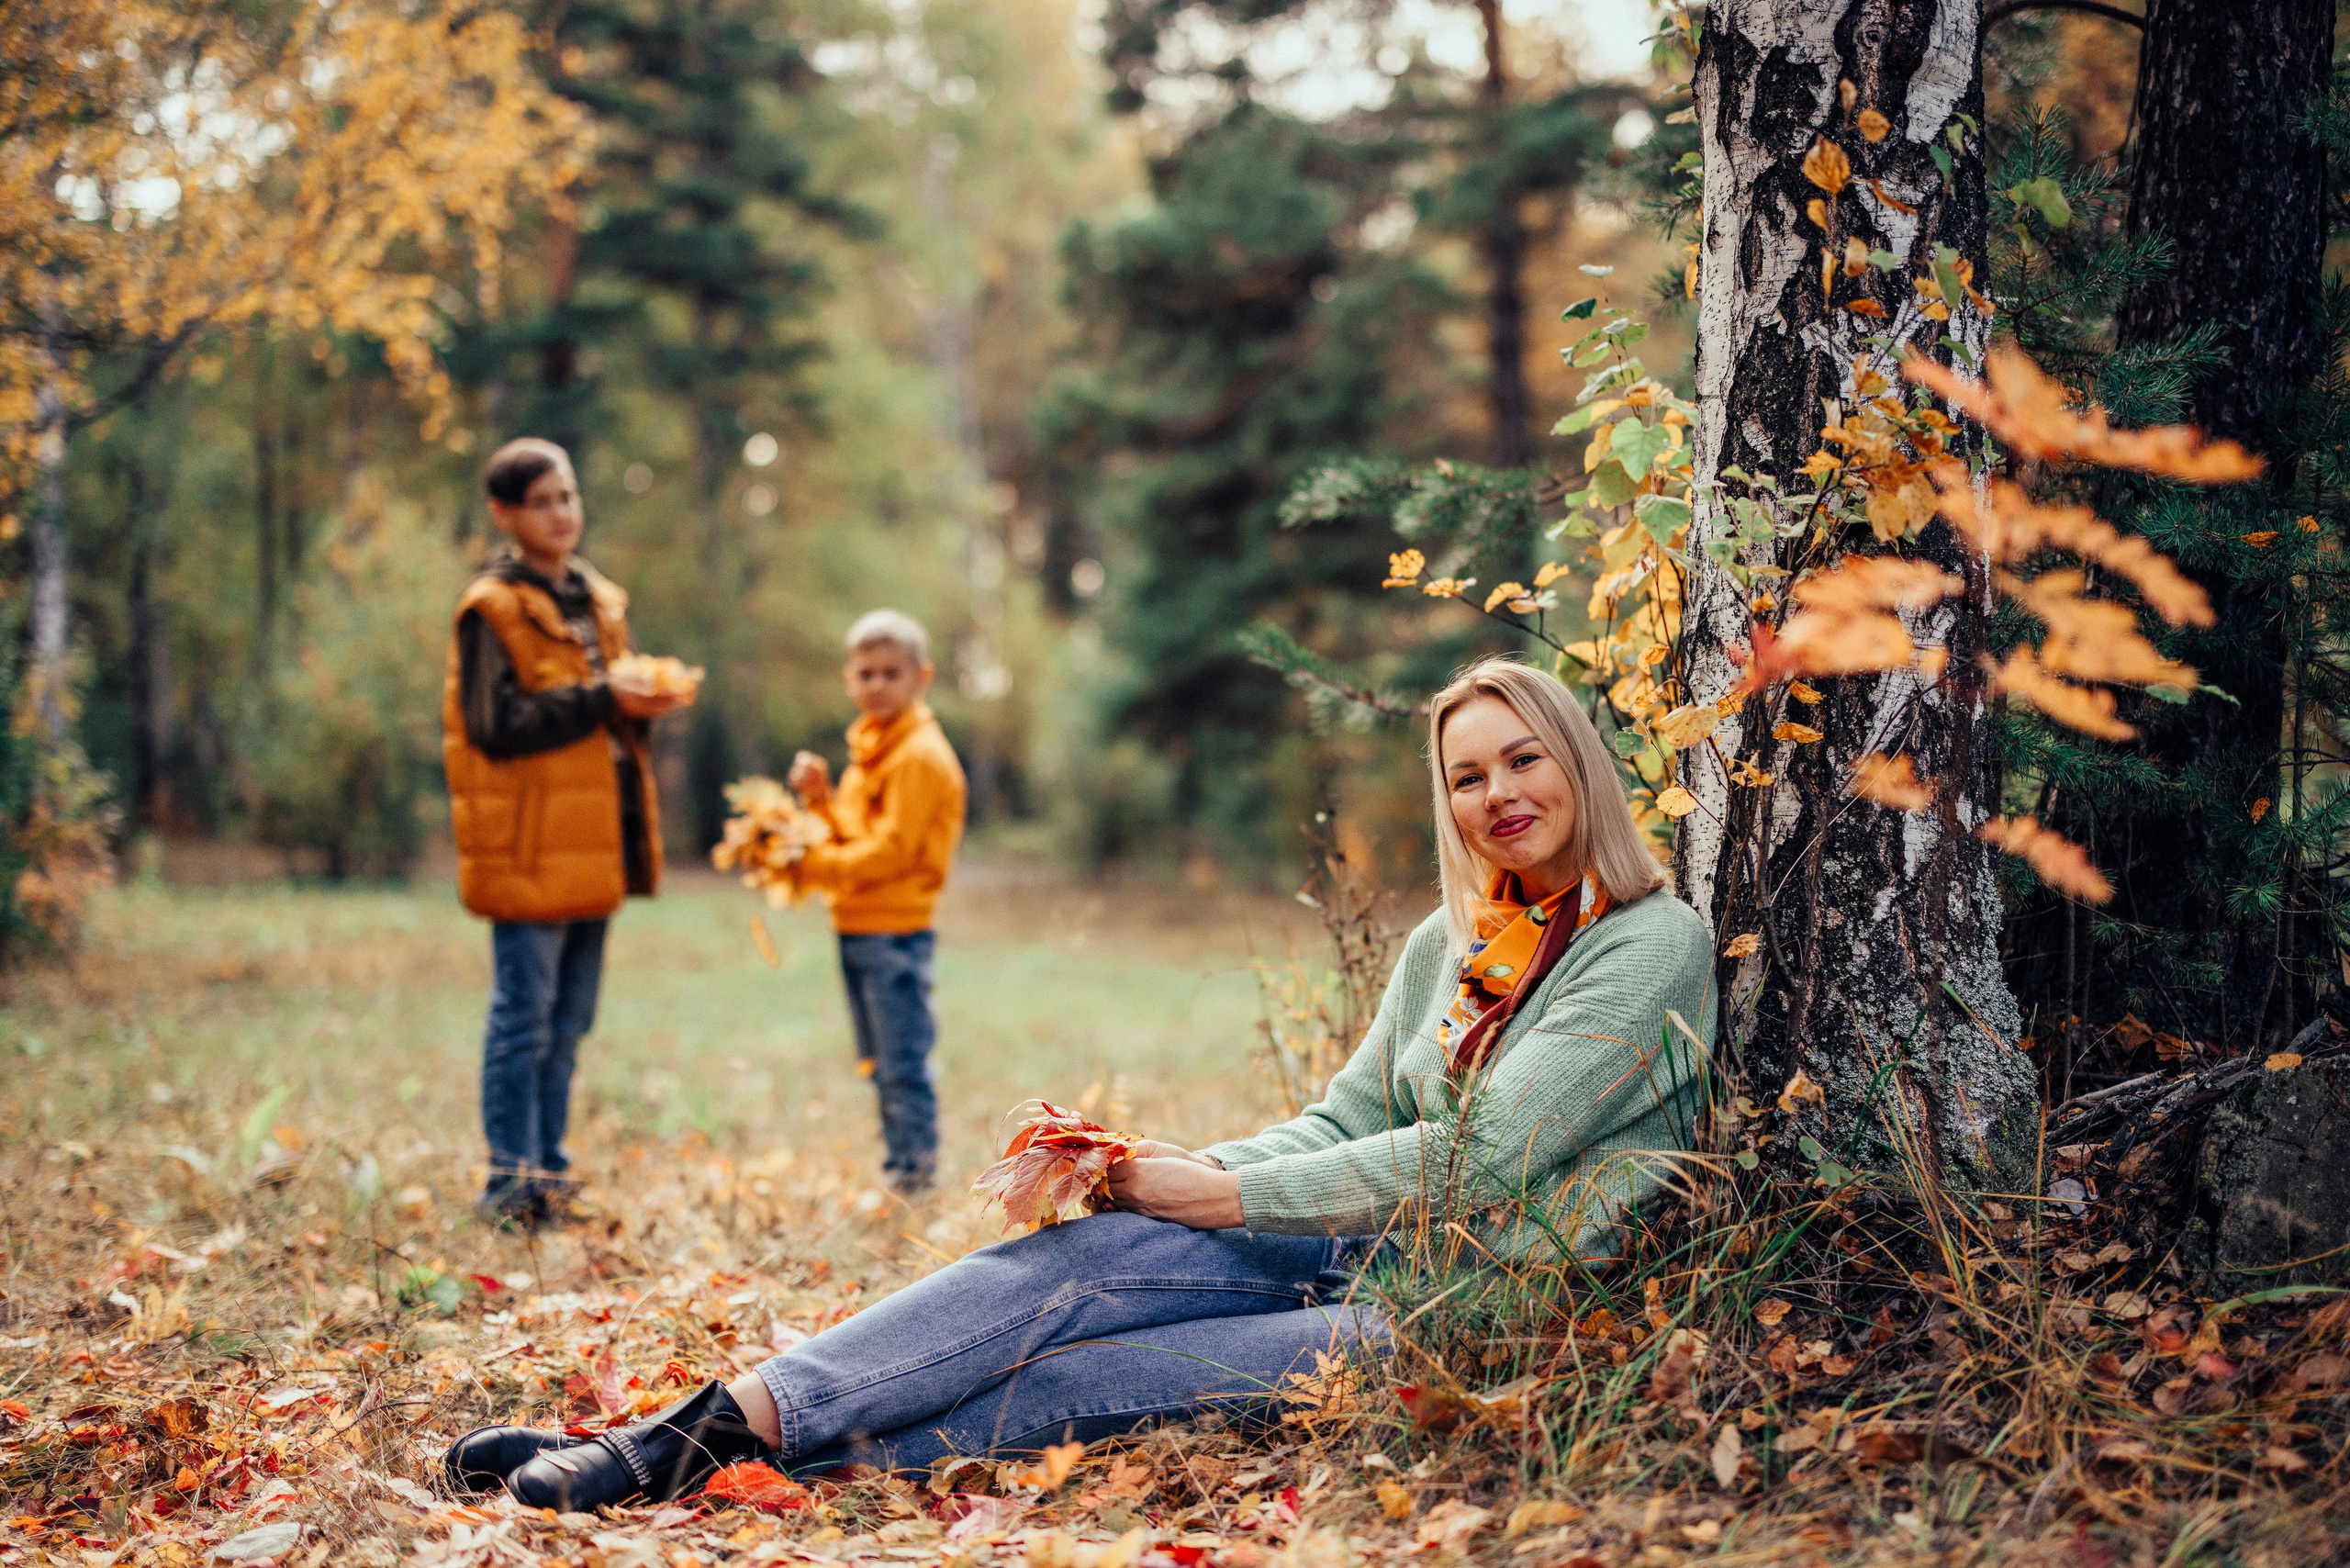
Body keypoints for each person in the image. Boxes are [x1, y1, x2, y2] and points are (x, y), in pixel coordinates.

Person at [442, 655, 1714, 1505]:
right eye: (1468, 775)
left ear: (1579, 765)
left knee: (1070, 1386)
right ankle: (674, 1437)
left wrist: (1214, 1201)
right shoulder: (1453, 944)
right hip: (1351, 1236)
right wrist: (1173, 1174)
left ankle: (730, 1477)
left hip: (1456, 1307)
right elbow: (1351, 1119)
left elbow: (1485, 1158)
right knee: (1061, 1271)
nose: (1499, 795)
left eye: (1523, 761)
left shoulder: (1649, 944)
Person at [442, 439, 690, 1227]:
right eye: (543, 500)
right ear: (506, 514)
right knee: (524, 1014)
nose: (562, 513)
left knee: (570, 1021)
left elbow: (605, 711)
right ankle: (507, 1184)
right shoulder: (492, 608)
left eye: (569, 496)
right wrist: (601, 697)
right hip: (530, 841)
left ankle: (548, 1171)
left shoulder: (599, 601)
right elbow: (493, 726)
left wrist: (638, 700)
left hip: (598, 834)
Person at [786, 610, 969, 1194]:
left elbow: (890, 852)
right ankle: (902, 1165)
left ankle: (914, 1174)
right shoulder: (872, 750)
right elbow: (849, 832)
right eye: (865, 673)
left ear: (922, 677)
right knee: (877, 1059)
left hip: (895, 931)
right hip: (859, 925)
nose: (877, 685)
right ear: (848, 679)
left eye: (893, 672)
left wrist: (811, 866)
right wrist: (818, 802)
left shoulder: (918, 755)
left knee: (901, 1062)